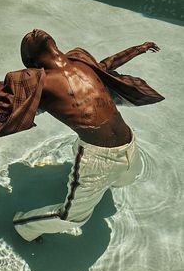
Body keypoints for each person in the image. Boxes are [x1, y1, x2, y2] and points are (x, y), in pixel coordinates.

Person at [12, 29, 161, 242]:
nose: (34, 32)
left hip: (129, 142)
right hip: (97, 159)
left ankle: (88, 176)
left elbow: (110, 63)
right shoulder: (42, 83)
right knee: (72, 218)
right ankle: (24, 226)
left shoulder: (81, 62)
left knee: (128, 177)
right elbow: (10, 107)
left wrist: (139, 48)